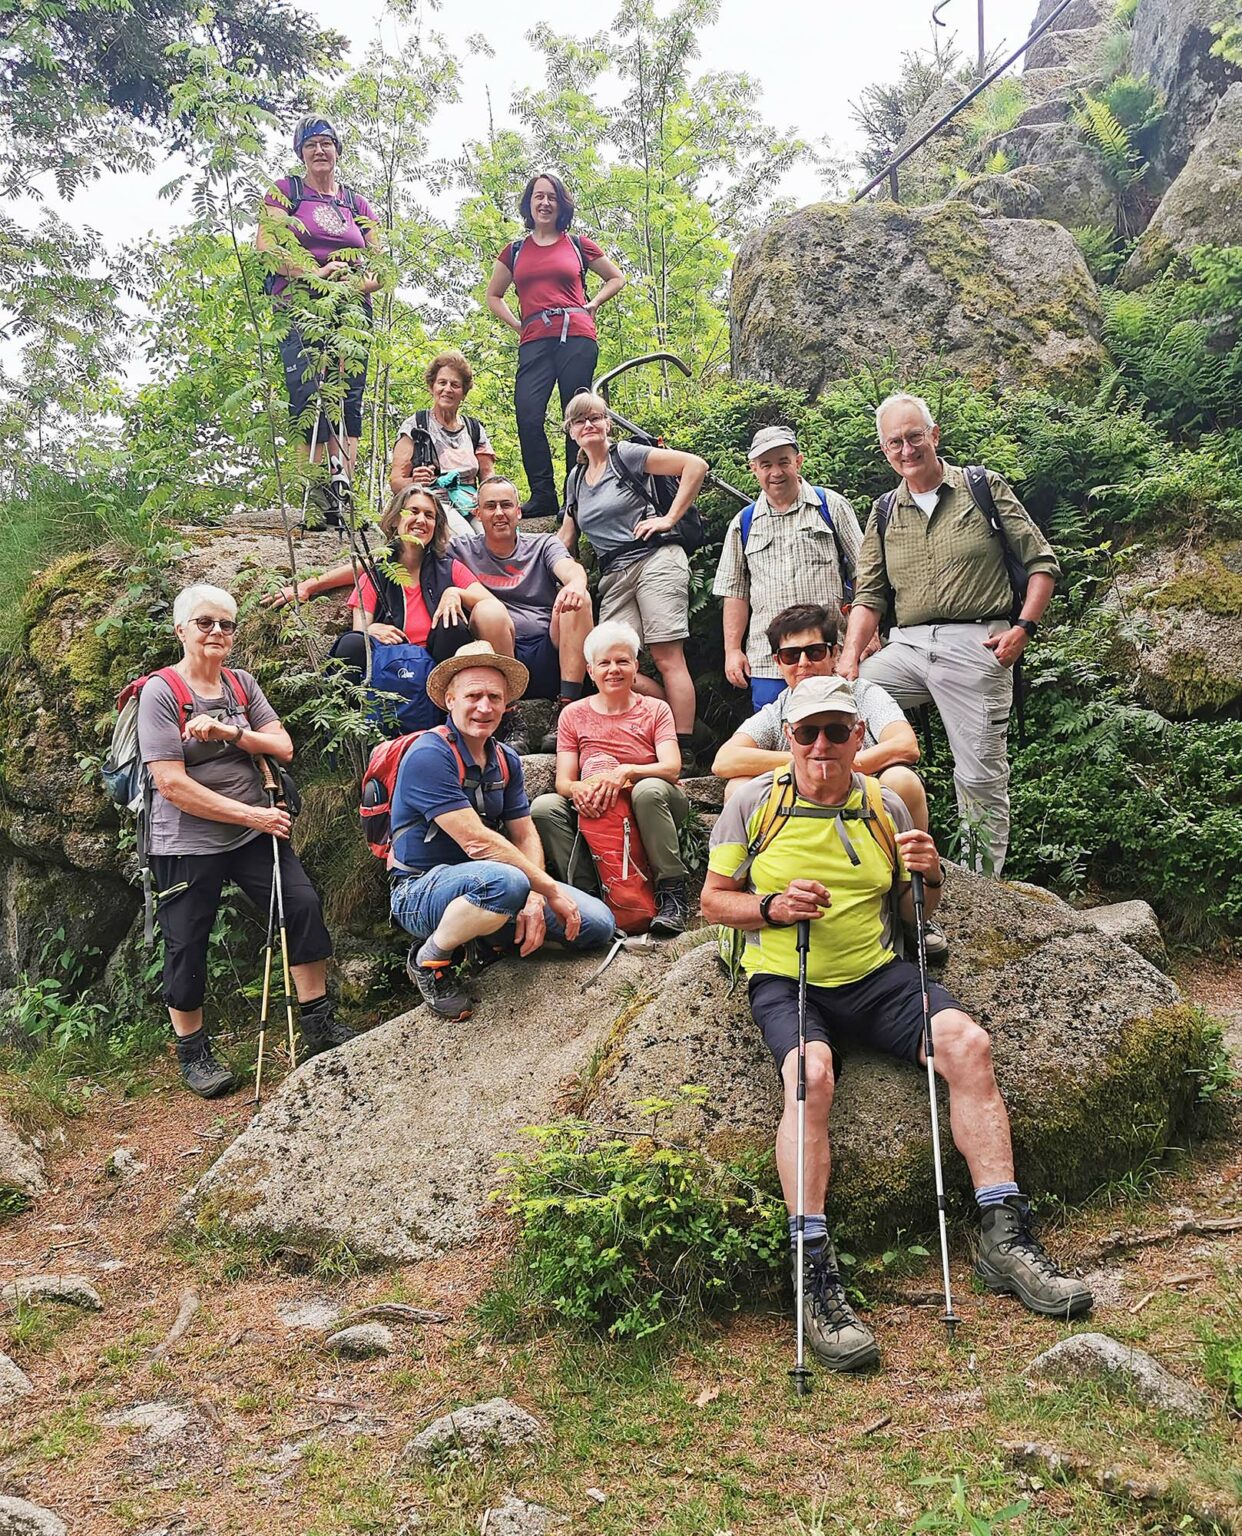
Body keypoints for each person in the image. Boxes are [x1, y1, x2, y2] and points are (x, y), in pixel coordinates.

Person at [701, 675, 1092, 1374]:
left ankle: (1004, 1238)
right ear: (787, 736)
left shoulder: (882, 805)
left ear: (859, 738)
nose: (822, 746)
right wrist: (771, 909)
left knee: (969, 1046)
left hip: (878, 977)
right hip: (789, 975)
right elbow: (712, 901)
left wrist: (929, 874)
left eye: (838, 732)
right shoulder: (752, 804)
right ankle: (812, 1267)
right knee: (809, 1078)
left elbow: (920, 916)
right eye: (808, 732)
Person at [137, 584, 351, 1098]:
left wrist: (231, 734)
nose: (216, 632)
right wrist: (254, 815)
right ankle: (193, 1051)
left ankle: (318, 1022)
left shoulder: (241, 685)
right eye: (205, 622)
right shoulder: (161, 693)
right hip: (185, 840)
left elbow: (282, 745)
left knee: (300, 904)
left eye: (226, 624)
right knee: (187, 940)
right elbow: (171, 783)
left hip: (254, 830)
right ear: (181, 629)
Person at [837, 393, 1060, 876]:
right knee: (841, 700)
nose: (906, 449)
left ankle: (980, 884)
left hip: (978, 643)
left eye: (915, 436)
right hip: (908, 646)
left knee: (979, 775)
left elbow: (1042, 563)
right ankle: (864, 851)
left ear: (934, 436)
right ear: (884, 450)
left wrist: (1023, 627)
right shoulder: (883, 510)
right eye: (894, 441)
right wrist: (850, 655)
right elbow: (869, 593)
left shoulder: (982, 487)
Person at [389, 642, 616, 1021]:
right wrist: (548, 890)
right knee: (506, 882)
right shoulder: (429, 754)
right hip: (419, 891)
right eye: (473, 695)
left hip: (493, 881)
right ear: (450, 700)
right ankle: (429, 960)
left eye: (494, 697)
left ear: (506, 703)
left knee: (596, 925)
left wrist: (534, 900)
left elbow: (524, 834)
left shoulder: (504, 759)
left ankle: (490, 937)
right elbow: (477, 842)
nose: (484, 707)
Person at [712, 602, 947, 961]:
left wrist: (847, 765)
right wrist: (810, 761)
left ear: (834, 653)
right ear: (778, 662)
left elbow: (905, 744)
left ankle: (911, 905)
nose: (803, 663)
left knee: (903, 780)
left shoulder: (863, 694)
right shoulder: (779, 708)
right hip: (796, 826)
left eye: (814, 651)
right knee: (739, 787)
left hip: (865, 818)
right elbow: (725, 760)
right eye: (791, 655)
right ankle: (753, 902)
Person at [558, 392, 708, 763]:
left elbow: (695, 466)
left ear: (608, 423)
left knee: (666, 655)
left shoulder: (626, 455)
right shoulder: (576, 479)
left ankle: (684, 748)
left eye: (595, 417)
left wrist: (668, 518)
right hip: (613, 574)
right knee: (612, 658)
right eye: (580, 421)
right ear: (571, 432)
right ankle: (669, 724)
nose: (589, 425)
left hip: (656, 558)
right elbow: (566, 537)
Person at [258, 116, 382, 529]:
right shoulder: (285, 193)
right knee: (308, 390)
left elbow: (380, 264)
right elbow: (267, 246)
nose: (319, 151)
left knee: (348, 392)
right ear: (300, 153)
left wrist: (355, 284)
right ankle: (314, 494)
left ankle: (344, 490)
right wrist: (312, 274)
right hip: (299, 300)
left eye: (327, 143)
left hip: (350, 305)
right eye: (310, 145)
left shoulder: (357, 204)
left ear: (337, 150)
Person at [532, 620, 690, 936]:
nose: (613, 669)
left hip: (654, 802)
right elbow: (564, 781)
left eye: (622, 661)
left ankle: (672, 894)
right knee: (545, 807)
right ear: (590, 671)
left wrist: (627, 773)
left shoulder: (655, 709)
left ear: (636, 666)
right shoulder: (573, 714)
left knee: (647, 790)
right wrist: (579, 790)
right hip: (600, 806)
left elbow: (671, 768)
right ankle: (587, 895)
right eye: (604, 663)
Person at [485, 173, 626, 515]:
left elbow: (616, 277)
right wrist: (519, 325)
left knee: (576, 414)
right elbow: (493, 295)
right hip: (534, 341)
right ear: (529, 204)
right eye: (538, 197)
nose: (545, 203)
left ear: (561, 205)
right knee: (528, 413)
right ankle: (543, 494)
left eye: (552, 197)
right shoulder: (515, 251)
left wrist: (592, 305)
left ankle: (575, 495)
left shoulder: (577, 244)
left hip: (576, 335)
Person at [329, 486, 515, 733]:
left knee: (454, 629)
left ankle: (457, 726)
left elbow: (493, 606)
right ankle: (350, 730)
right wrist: (371, 628)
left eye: (429, 515)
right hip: (392, 667)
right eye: (413, 511)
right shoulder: (375, 573)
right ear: (396, 519)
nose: (421, 520)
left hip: (438, 663)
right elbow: (358, 630)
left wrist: (455, 592)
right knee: (351, 644)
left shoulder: (449, 569)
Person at [713, 427, 863, 708]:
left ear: (798, 461)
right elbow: (734, 592)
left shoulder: (830, 506)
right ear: (754, 469)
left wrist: (866, 638)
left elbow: (864, 573)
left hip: (828, 654)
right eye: (766, 465)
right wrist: (732, 650)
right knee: (775, 741)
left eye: (783, 461)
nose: (776, 472)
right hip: (770, 663)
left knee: (838, 733)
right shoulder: (743, 523)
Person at [450, 476, 593, 749]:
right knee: (488, 611)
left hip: (550, 654)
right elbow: (405, 556)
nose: (499, 513)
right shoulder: (461, 549)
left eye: (506, 505)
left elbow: (569, 568)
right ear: (477, 513)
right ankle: (510, 717)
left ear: (519, 511)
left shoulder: (543, 544)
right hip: (498, 659)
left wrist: (576, 583)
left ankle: (567, 708)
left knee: (579, 599)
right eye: (490, 506)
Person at [390, 349, 496, 539]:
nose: (448, 389)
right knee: (466, 539)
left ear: (463, 392)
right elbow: (396, 482)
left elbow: (488, 477)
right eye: (442, 383)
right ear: (432, 387)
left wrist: (491, 504)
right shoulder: (415, 425)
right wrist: (415, 481)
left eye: (455, 384)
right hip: (432, 502)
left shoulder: (474, 429)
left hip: (471, 503)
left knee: (494, 536)